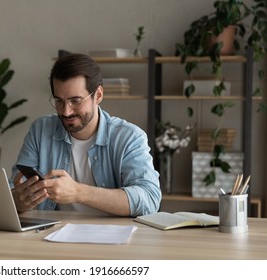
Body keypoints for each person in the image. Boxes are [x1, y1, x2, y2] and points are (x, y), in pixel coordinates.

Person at [11, 53, 161, 217]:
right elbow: (13, 191)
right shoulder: (40, 130)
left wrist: (78, 192)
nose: (66, 111)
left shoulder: (129, 137)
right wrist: (18, 201)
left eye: (76, 101)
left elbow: (149, 199)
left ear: (98, 95)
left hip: (112, 237)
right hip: (51, 236)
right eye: (59, 101)